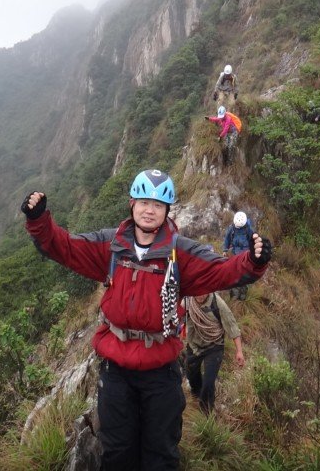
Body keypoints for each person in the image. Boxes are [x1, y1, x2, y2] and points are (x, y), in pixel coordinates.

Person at [21, 169, 271, 470]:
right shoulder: (111, 246)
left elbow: (221, 270)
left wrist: (253, 261)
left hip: (160, 371)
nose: (149, 210)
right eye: (143, 202)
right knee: (117, 452)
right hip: (116, 371)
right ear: (132, 204)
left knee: (161, 454)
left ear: (167, 210)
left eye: (157, 204)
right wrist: (39, 220)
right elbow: (66, 248)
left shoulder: (180, 253)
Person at [183, 292, 244, 413]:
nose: (200, 295)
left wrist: (239, 351)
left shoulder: (218, 303)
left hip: (214, 346)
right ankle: (197, 396)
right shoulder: (186, 302)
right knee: (191, 375)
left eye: (203, 292)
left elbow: (232, 326)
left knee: (209, 382)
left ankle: (206, 412)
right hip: (194, 346)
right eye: (198, 292)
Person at [223, 212, 257, 300]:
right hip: (235, 254)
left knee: (245, 273)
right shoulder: (232, 228)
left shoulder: (248, 229)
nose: (237, 227)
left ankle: (243, 292)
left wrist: (253, 253)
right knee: (235, 273)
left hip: (246, 255)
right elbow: (227, 239)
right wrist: (225, 250)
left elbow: (253, 241)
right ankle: (235, 293)